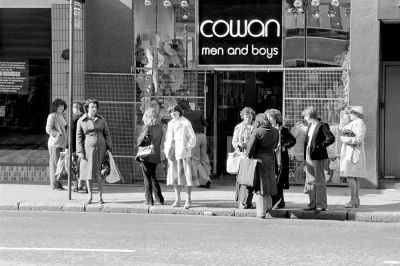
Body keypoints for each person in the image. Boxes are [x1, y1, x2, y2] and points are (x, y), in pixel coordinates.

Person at [76, 99, 113, 204]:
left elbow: (107, 134)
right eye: (92, 107)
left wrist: (109, 147)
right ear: (87, 108)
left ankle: (100, 196)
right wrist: (80, 151)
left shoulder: (102, 119)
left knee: (102, 172)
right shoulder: (81, 120)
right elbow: (78, 137)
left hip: (102, 148)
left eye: (95, 107)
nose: (94, 109)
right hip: (88, 149)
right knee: (89, 172)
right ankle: (90, 196)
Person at [164, 104, 198, 209]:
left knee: (186, 178)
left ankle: (188, 200)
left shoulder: (185, 122)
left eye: (175, 111)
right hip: (172, 153)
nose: (173, 113)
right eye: (171, 112)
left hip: (183, 153)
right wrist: (166, 149)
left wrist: (187, 148)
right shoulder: (170, 123)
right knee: (175, 178)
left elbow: (192, 138)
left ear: (179, 111)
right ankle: (177, 199)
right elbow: (167, 138)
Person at [302, 106, 335, 212]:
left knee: (319, 180)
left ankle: (321, 205)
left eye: (305, 116)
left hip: (318, 155)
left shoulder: (322, 125)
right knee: (310, 180)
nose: (304, 118)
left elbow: (331, 138)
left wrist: (320, 146)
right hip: (308, 154)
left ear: (310, 115)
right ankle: (312, 204)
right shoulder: (310, 125)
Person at [247, 113, 279, 218]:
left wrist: (249, 156)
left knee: (260, 186)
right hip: (271, 159)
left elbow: (250, 149)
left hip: (259, 160)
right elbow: (275, 146)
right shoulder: (275, 131)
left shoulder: (257, 131)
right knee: (269, 183)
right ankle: (269, 207)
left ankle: (261, 212)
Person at [265, 109, 296, 209]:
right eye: (268, 117)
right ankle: (277, 201)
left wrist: (284, 146)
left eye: (271, 117)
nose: (269, 119)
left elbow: (292, 140)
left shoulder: (282, 129)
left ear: (276, 118)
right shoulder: (267, 128)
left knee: (279, 179)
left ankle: (278, 201)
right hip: (270, 156)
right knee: (273, 179)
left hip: (280, 157)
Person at [179, 100, 212, 188]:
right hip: (202, 136)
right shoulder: (198, 112)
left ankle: (206, 179)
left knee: (195, 160)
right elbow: (206, 124)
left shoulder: (183, 116)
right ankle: (203, 181)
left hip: (194, 138)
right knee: (204, 160)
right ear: (189, 105)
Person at [339, 106, 367, 208]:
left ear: (356, 114)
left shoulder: (359, 123)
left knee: (351, 176)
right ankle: (356, 200)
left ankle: (353, 200)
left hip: (353, 152)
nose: (349, 115)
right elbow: (341, 128)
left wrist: (345, 139)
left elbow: (359, 139)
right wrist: (343, 116)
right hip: (351, 151)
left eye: (351, 113)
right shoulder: (354, 123)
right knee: (354, 177)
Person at [137, 107, 165, 206]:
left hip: (146, 153)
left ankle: (149, 200)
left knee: (147, 177)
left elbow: (140, 141)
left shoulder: (147, 127)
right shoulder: (159, 127)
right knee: (153, 176)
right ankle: (160, 199)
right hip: (156, 152)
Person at [233, 107, 255, 209]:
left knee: (250, 180)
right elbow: (234, 142)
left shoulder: (255, 127)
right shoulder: (238, 127)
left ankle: (248, 201)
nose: (247, 119)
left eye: (249, 117)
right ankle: (241, 201)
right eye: (246, 117)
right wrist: (240, 145)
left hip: (252, 156)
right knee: (241, 180)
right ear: (243, 117)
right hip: (242, 156)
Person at [45, 98, 68, 190]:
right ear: (55, 107)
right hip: (54, 144)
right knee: (55, 165)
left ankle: (60, 184)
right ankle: (54, 185)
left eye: (62, 105)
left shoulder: (64, 115)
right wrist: (58, 134)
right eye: (59, 106)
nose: (61, 107)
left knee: (61, 165)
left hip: (63, 144)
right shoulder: (52, 116)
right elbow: (48, 129)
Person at [71, 102, 86, 193]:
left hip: (76, 146)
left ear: (76, 108)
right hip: (84, 145)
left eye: (73, 107)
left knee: (75, 166)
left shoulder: (74, 118)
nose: (73, 109)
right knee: (83, 165)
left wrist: (69, 147)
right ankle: (82, 184)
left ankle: (76, 185)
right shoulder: (85, 117)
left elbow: (72, 134)